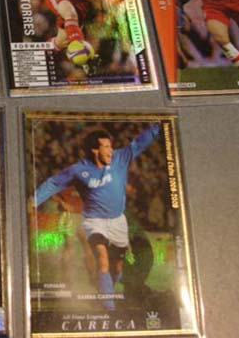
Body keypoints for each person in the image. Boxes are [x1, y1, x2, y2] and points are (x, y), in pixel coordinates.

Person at [34, 124, 159, 310]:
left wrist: (158, 127)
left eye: (111, 146)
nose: (111, 150)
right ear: (95, 150)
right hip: (94, 222)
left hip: (117, 221)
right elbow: (54, 183)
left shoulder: (120, 158)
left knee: (117, 266)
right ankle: (109, 308)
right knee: (102, 258)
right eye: (106, 147)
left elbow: (139, 143)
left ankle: (107, 290)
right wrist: (34, 200)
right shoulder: (78, 170)